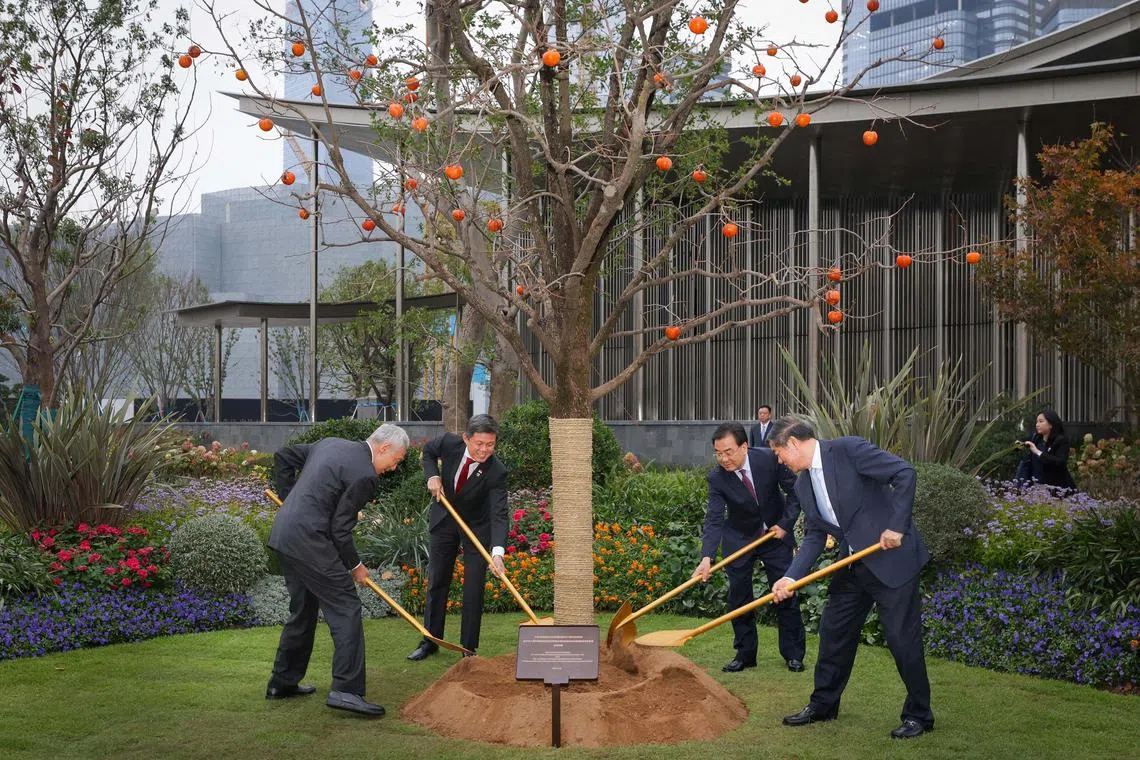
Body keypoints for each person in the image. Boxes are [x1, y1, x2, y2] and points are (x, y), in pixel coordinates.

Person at [767, 415, 934, 740]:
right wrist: (789, 578)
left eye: (778, 452)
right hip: (854, 564)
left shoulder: (847, 450)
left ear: (793, 443)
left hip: (892, 560)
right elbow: (815, 536)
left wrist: (897, 525)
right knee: (834, 633)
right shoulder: (803, 484)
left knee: (902, 640)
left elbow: (904, 473)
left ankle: (919, 715)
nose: (779, 459)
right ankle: (823, 705)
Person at [266, 423, 409, 717]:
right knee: (346, 607)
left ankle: (282, 682)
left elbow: (283, 456)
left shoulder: (330, 443)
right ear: (383, 448)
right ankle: (347, 690)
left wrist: (288, 498)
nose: (393, 468)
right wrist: (355, 566)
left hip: (285, 536)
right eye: (396, 460)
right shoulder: (365, 476)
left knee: (303, 609)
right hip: (310, 542)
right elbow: (340, 530)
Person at [694, 422, 806, 673]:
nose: (723, 458)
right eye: (718, 453)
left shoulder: (770, 459)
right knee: (739, 597)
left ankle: (793, 654)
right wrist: (706, 557)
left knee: (785, 592)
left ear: (744, 446)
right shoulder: (717, 478)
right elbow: (713, 518)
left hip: (776, 536)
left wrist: (785, 524)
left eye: (728, 452)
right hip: (740, 539)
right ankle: (745, 654)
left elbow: (796, 493)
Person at [407, 414, 508, 661]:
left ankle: (468, 649)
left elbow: (499, 513)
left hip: (477, 527)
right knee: (438, 581)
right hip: (445, 521)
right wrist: (432, 476)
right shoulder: (449, 444)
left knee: (473, 587)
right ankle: (430, 640)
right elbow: (429, 453)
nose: (485, 450)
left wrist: (497, 553)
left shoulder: (496, 471)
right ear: (466, 438)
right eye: (479, 444)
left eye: (490, 444)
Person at [1014, 409, 1077, 490]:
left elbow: (1060, 462)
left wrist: (1037, 451)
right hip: (1035, 486)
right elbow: (1019, 443)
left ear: (1051, 424)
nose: (1037, 424)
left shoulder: (1061, 440)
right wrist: (1018, 444)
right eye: (1037, 422)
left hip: (1056, 488)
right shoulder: (1036, 438)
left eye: (1041, 421)